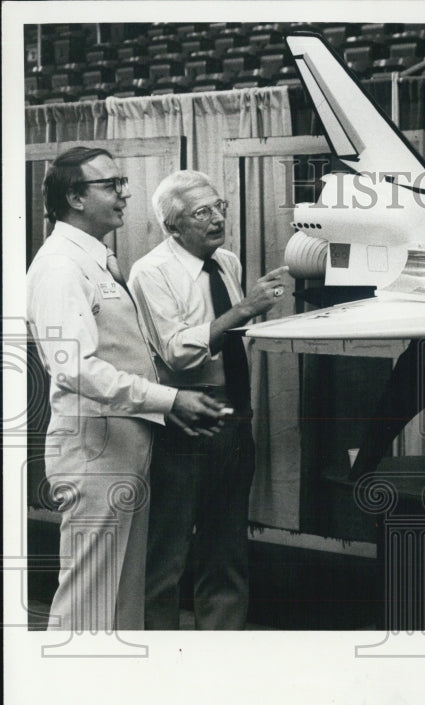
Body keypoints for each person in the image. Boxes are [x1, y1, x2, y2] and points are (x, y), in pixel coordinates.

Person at [26, 147, 227, 632]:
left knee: (119, 604)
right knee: (87, 607)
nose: (125, 193)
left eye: (122, 182)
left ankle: (110, 700)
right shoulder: (60, 267)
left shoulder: (95, 260)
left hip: (121, 447)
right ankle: (64, 702)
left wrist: (166, 402)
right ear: (75, 197)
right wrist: (170, 398)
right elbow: (73, 368)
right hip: (94, 451)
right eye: (111, 184)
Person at [128, 169, 289, 629]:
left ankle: (220, 651)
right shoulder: (152, 271)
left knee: (226, 545)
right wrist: (245, 309)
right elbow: (178, 353)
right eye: (203, 212)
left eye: (220, 206)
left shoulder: (228, 263)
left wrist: (251, 318)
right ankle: (158, 657)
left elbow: (236, 334)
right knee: (167, 548)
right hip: (187, 415)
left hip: (237, 410)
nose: (218, 218)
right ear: (173, 225)